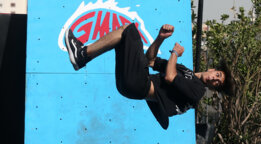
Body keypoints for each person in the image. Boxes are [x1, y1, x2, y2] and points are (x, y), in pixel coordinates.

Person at [65, 23, 234, 129]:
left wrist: (175, 52)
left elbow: (169, 76)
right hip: (132, 85)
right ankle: (81, 55)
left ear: (213, 87)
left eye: (217, 83)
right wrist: (160, 38)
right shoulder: (185, 71)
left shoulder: (197, 91)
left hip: (140, 85)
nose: (215, 79)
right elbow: (150, 60)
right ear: (212, 69)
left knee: (130, 31)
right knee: (125, 35)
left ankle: (82, 55)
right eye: (217, 75)